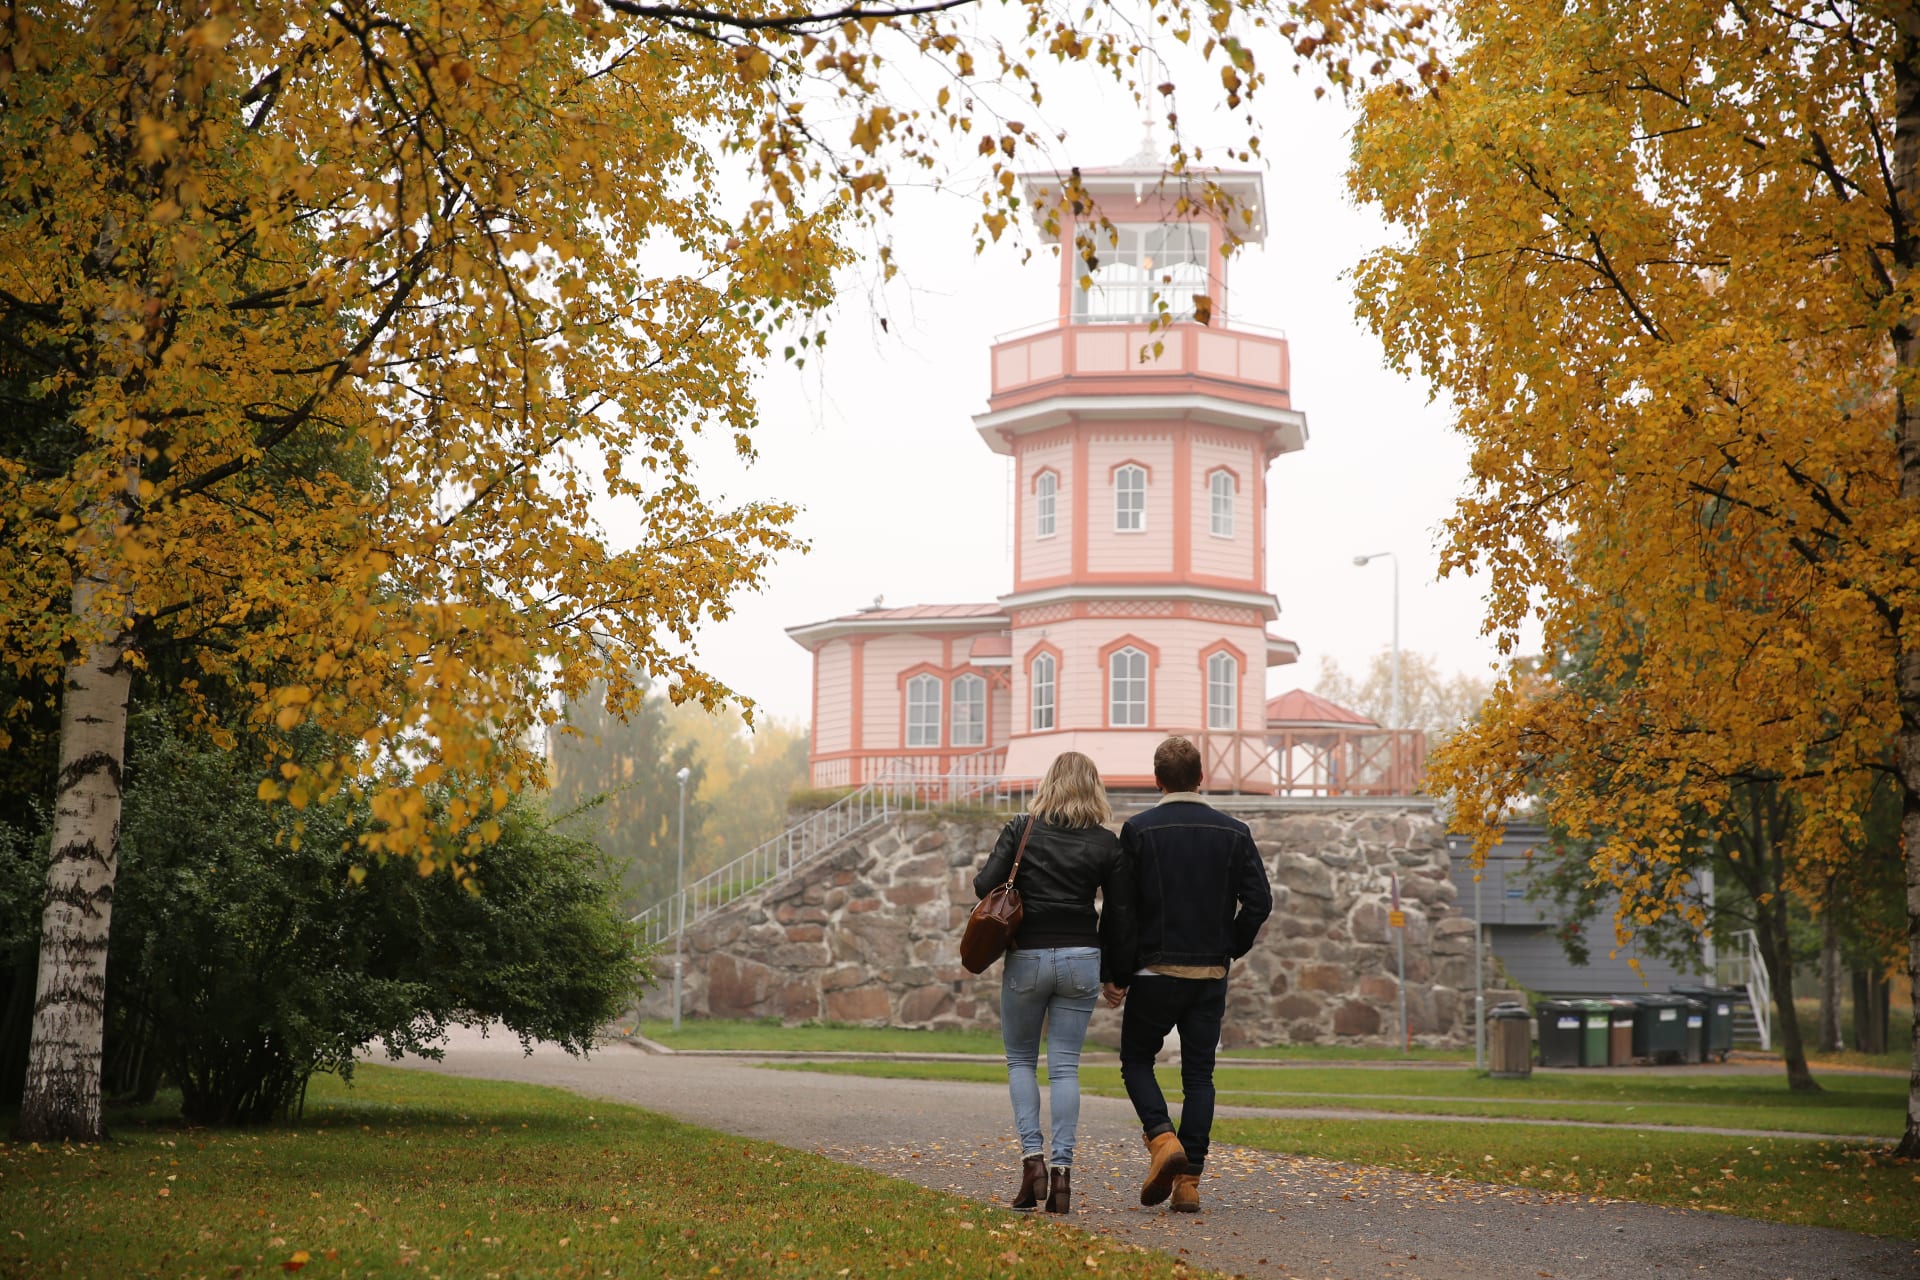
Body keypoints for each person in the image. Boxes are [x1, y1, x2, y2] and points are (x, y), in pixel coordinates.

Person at [1101, 735, 1272, 1214]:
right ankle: (1189, 1180)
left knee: (1136, 1060)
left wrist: (1116, 971)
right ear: (1202, 778)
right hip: (1209, 973)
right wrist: (1230, 947)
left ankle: (1161, 1139)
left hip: (1154, 970)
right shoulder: (1234, 832)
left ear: (1156, 780)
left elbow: (1122, 908)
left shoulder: (1137, 830)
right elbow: (1260, 902)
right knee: (1200, 1076)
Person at [973, 750, 1132, 1215]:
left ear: (1050, 783)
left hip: (1027, 957)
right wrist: (1115, 976)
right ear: (1093, 788)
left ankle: (1033, 1164)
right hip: (1082, 957)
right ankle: (1062, 1176)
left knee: (1020, 1061)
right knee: (1065, 1068)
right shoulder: (1107, 843)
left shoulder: (1021, 828)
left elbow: (985, 885)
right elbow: (1121, 915)